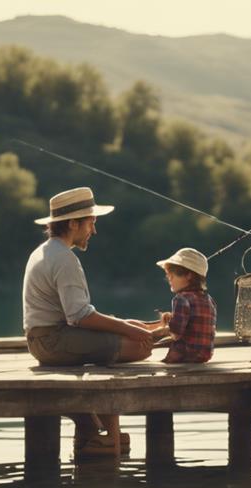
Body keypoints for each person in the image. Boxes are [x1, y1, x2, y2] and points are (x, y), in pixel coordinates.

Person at [22, 186, 152, 455]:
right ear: (73, 223)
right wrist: (127, 328)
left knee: (129, 335)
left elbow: (77, 314)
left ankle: (95, 429)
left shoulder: (46, 251)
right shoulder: (64, 259)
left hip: (42, 340)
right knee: (140, 348)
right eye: (91, 223)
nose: (94, 230)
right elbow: (79, 316)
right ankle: (101, 433)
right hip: (52, 341)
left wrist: (129, 324)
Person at [153, 248, 217, 363]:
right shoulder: (209, 300)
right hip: (205, 356)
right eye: (168, 275)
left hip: (184, 356)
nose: (169, 279)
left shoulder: (181, 299)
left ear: (189, 275)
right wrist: (172, 318)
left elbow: (175, 334)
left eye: (172, 275)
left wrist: (160, 329)